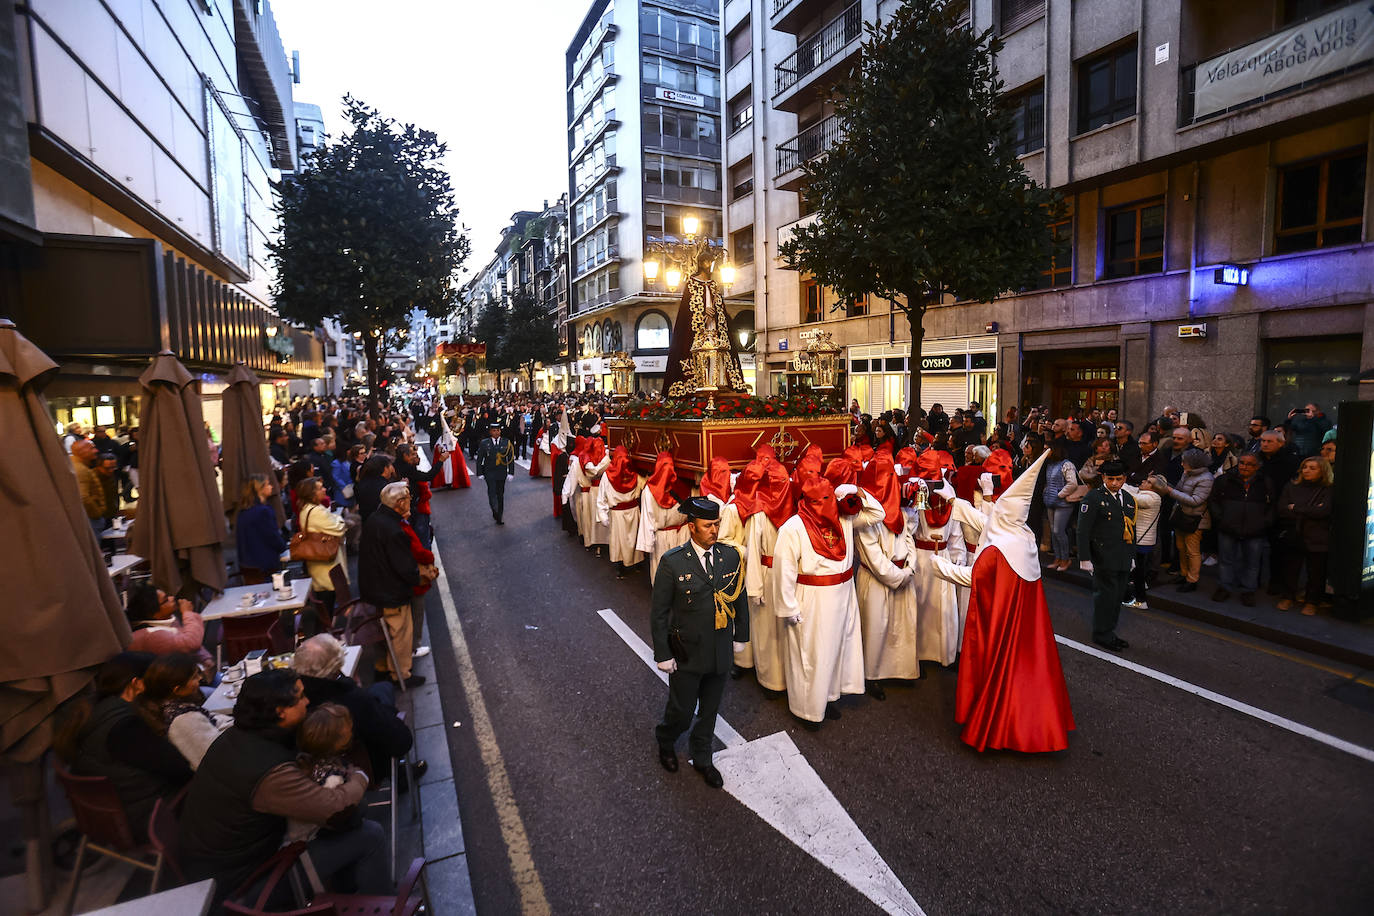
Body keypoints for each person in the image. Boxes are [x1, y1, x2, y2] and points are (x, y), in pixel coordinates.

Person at [178, 669, 387, 896]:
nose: (308, 702)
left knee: (352, 819)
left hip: (217, 862)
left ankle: (345, 892)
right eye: (300, 697)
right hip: (242, 883)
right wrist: (360, 776)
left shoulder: (236, 736)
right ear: (280, 712)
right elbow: (335, 809)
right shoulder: (269, 771)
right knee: (369, 834)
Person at [925, 451, 1075, 752]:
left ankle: (1000, 728)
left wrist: (936, 565)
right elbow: (986, 520)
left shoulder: (997, 550)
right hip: (1028, 627)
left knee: (1001, 675)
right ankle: (1039, 727)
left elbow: (973, 578)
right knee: (1031, 674)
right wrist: (958, 504)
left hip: (1001, 621)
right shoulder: (1025, 537)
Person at [650, 497, 749, 789]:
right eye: (708, 526)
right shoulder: (672, 562)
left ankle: (702, 756)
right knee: (681, 711)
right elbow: (659, 613)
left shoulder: (730, 557)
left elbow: (739, 598)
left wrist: (741, 636)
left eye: (717, 524)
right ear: (691, 527)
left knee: (710, 710)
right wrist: (663, 653)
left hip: (719, 651)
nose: (714, 530)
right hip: (687, 653)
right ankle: (666, 740)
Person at [774, 476, 885, 729]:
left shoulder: (844, 518)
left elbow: (878, 514)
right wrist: (788, 607)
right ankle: (806, 709)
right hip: (813, 600)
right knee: (811, 654)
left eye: (827, 499)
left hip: (844, 593)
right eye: (817, 501)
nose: (823, 506)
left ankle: (829, 697)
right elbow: (784, 570)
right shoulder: (793, 527)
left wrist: (858, 490)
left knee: (838, 649)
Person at [53, 652, 192, 841]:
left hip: (112, 812)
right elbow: (180, 769)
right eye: (152, 679)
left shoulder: (92, 709)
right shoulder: (125, 728)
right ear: (137, 684)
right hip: (149, 817)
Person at [294, 634, 420, 780]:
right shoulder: (350, 701)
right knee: (383, 694)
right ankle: (400, 777)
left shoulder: (295, 697)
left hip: (321, 768)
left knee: (381, 689)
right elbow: (402, 742)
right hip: (364, 768)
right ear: (336, 665)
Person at [854, 452, 917, 698]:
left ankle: (901, 670)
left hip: (903, 573)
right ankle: (873, 675)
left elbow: (909, 535)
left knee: (902, 626)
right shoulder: (867, 517)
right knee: (876, 628)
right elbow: (873, 558)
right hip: (879, 580)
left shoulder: (901, 510)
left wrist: (911, 565)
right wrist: (900, 576)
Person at [359, 482, 424, 687]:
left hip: (374, 586)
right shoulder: (394, 530)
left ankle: (383, 667)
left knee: (387, 633)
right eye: (407, 499)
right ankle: (401, 674)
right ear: (400, 503)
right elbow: (404, 567)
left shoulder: (376, 518)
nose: (410, 502)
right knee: (400, 634)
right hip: (391, 591)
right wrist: (418, 577)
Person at [1076, 460, 1137, 652]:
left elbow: (1131, 530)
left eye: (1119, 479)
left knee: (1117, 597)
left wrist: (1132, 556)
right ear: (1103, 478)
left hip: (1122, 556)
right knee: (1106, 597)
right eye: (1110, 479)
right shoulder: (1094, 498)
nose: (1115, 483)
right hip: (1103, 556)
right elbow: (1083, 530)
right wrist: (1084, 558)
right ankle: (1101, 633)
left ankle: (1110, 631)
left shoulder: (1127, 498)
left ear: (1124, 479)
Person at [138, 653, 232, 769]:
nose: (200, 678)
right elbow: (219, 757)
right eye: (194, 677)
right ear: (177, 690)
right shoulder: (184, 721)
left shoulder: (178, 707)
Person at [284, 703, 357, 844]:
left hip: (297, 833)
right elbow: (337, 816)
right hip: (310, 839)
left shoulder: (302, 759)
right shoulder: (332, 777)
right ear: (339, 742)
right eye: (349, 728)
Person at [1209, 452, 1274, 607]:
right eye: (1242, 463)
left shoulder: (1265, 482)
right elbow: (1214, 501)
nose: (1245, 466)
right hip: (1228, 528)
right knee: (1226, 560)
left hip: (1255, 530)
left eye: (1250, 464)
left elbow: (1271, 506)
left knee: (1252, 563)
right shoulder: (1224, 480)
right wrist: (1222, 519)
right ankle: (1225, 587)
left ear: (1257, 467)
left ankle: (1248, 591)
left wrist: (1263, 523)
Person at [1276, 457, 1333, 616]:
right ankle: (1288, 597)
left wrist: (1296, 508)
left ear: (1322, 470)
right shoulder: (1292, 486)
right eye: (1305, 467)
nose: (1306, 470)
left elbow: (1324, 512)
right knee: (1290, 569)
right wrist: (1309, 510)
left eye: (1312, 468)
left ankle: (1311, 601)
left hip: (1318, 537)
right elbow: (1282, 509)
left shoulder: (1328, 489)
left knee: (1316, 573)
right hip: (1295, 534)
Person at [124, 584, 214, 675]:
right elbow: (190, 643)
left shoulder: (166, 620)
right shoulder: (151, 635)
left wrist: (205, 658)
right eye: (166, 600)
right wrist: (188, 613)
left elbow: (187, 636)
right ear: (154, 614)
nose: (172, 598)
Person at [297, 477, 348, 630]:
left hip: (319, 564)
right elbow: (339, 527)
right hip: (326, 566)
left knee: (325, 604)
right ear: (312, 493)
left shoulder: (306, 510)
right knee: (327, 604)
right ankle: (327, 636)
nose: (324, 489)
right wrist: (339, 520)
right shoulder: (316, 512)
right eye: (320, 488)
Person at [1162, 449, 1214, 593]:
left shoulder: (1206, 478)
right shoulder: (1187, 473)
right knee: (1180, 547)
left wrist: (1170, 491)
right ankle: (1183, 574)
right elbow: (1179, 489)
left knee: (1192, 550)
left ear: (1193, 463)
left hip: (1195, 519)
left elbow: (1196, 500)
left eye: (1184, 461)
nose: (1182, 463)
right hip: (1182, 515)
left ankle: (1192, 579)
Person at [597, 445, 646, 578]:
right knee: (633, 538)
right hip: (633, 512)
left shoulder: (607, 477)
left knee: (619, 540)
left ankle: (621, 566)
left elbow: (601, 498)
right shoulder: (634, 475)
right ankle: (635, 564)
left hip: (618, 514)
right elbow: (646, 486)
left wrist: (603, 518)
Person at [236, 473, 287, 584]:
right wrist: (283, 547)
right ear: (260, 488)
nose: (271, 486)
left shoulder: (242, 512)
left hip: (247, 565)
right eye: (268, 484)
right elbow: (272, 536)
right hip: (265, 564)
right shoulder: (263, 511)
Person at [1122, 477, 1164, 609]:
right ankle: (1138, 591)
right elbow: (1131, 489)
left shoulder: (1152, 498)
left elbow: (1130, 497)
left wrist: (1116, 484)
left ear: (1153, 488)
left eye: (1148, 482)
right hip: (1142, 539)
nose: (1144, 481)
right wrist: (1120, 481)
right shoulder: (1146, 494)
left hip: (1141, 541)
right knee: (1137, 569)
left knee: (1137, 569)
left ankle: (1141, 601)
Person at [395, 442, 445, 546]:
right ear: (405, 456)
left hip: (409, 505)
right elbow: (428, 476)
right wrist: (440, 461)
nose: (415, 457)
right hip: (414, 506)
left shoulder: (397, 465)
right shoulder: (407, 468)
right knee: (421, 537)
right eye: (412, 454)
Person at [1042, 439, 1080, 572]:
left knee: (1059, 531)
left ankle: (1065, 559)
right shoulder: (1051, 464)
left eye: (1047, 449)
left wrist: (1059, 494)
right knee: (1053, 531)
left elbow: (1072, 483)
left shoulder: (1067, 465)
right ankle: (1058, 558)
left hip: (1063, 503)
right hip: (1050, 501)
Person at [475, 421, 516, 525]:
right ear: (490, 432)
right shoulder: (485, 443)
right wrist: (479, 473)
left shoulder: (506, 442)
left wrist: (511, 472)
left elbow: (510, 458)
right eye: (494, 431)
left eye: (498, 430)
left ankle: (499, 516)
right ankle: (495, 511)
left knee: (500, 494)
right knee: (492, 493)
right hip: (489, 473)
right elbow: (480, 459)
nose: (496, 432)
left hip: (501, 473)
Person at [70, 438, 104, 539]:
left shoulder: (78, 466)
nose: (96, 451)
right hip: (90, 519)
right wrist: (96, 513)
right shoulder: (80, 469)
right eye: (92, 448)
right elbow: (83, 497)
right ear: (82, 452)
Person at [354, 454, 395, 524]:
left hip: (366, 522)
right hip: (382, 524)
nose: (392, 469)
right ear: (385, 468)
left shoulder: (362, 482)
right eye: (390, 466)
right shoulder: (385, 488)